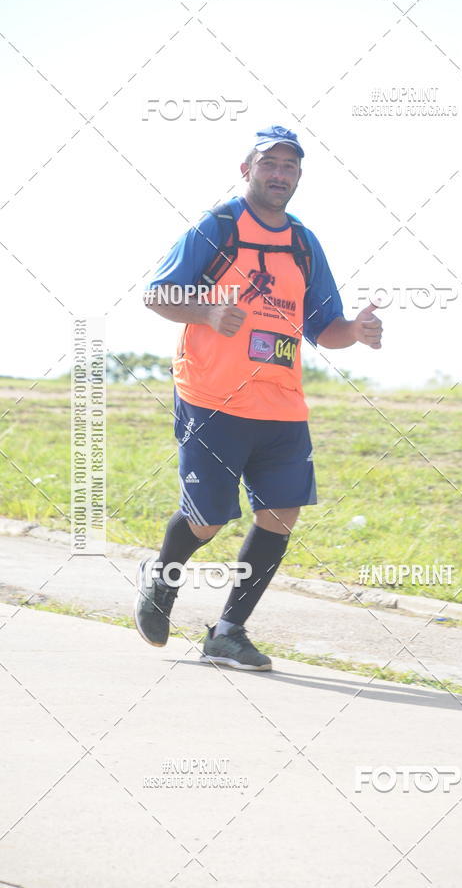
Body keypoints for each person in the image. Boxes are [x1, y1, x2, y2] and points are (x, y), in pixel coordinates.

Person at [135, 124, 382, 671]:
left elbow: (325, 328)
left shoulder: (303, 241)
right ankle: (161, 580)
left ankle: (228, 632)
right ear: (247, 169)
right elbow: (157, 292)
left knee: (280, 516)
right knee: (206, 521)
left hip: (281, 402)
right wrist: (204, 311)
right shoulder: (217, 226)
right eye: (269, 164)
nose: (279, 174)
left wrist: (356, 332)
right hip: (212, 396)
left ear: (298, 176)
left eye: (289, 166)